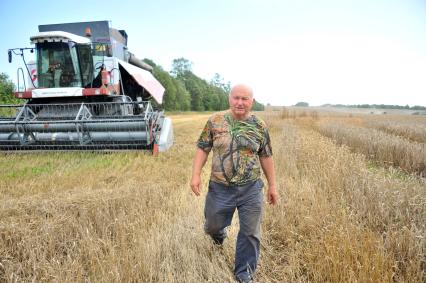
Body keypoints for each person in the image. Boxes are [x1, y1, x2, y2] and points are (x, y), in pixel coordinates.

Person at [190, 84, 278, 282]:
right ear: (229, 98)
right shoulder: (215, 121)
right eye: (236, 98)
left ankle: (244, 272)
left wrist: (272, 186)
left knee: (250, 232)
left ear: (251, 101)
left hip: (251, 188)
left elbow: (266, 156)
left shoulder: (259, 125)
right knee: (212, 225)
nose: (240, 102)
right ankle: (219, 234)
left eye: (244, 99)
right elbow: (203, 148)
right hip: (220, 187)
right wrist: (196, 174)